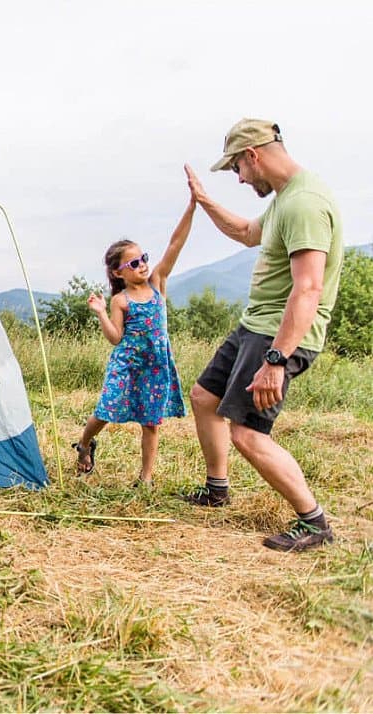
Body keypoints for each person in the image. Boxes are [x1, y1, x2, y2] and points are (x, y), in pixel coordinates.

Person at [183, 118, 343, 552]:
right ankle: (217, 490)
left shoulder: (304, 204)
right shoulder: (284, 198)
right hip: (255, 325)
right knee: (204, 397)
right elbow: (246, 233)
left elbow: (308, 287)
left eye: (237, 167)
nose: (238, 177)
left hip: (278, 335)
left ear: (253, 155)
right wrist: (204, 201)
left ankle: (314, 523)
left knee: (248, 433)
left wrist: (276, 360)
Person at [73, 195, 194, 486]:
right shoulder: (120, 300)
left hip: (155, 365)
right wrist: (101, 312)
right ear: (118, 272)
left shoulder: (157, 284)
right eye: (134, 263)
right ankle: (84, 444)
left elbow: (175, 244)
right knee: (105, 411)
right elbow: (116, 338)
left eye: (144, 259)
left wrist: (192, 205)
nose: (142, 265)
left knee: (151, 423)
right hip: (126, 364)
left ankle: (146, 479)